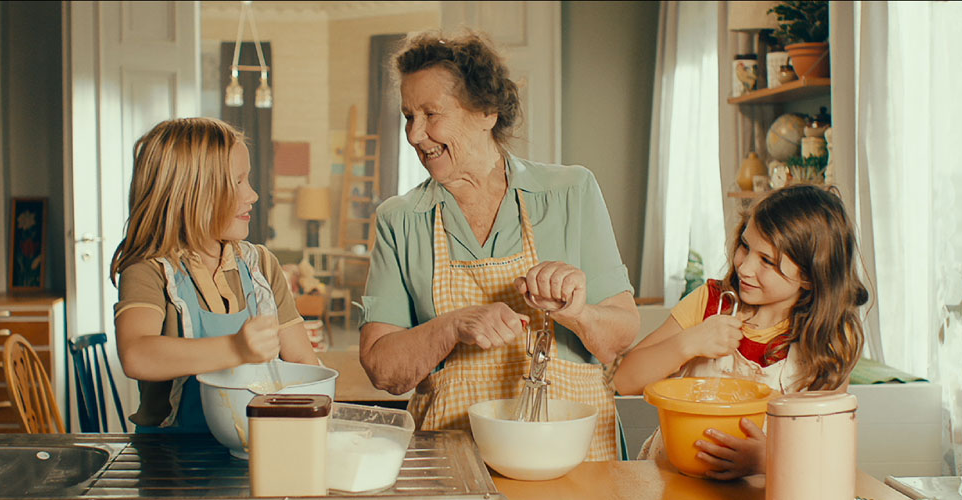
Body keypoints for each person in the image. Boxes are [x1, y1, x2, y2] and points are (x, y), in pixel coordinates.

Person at [358, 31, 641, 461]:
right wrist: (453, 326)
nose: (415, 135)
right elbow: (382, 369)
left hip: (576, 461)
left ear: (487, 111)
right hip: (456, 462)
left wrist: (578, 313)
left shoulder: (570, 192)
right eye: (408, 117)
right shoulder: (401, 220)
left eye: (431, 114)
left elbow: (618, 338)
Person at [614, 184, 868, 479]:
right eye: (745, 246)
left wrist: (767, 460)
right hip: (670, 479)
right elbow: (625, 380)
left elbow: (824, 447)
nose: (745, 267)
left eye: (767, 261)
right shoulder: (710, 303)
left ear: (811, 275)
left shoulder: (832, 341)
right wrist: (688, 343)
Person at [110, 117, 319, 433]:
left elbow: (303, 361)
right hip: (171, 464)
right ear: (190, 193)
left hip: (257, 448)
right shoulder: (149, 271)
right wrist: (237, 349)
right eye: (237, 182)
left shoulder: (261, 265)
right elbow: (137, 354)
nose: (252, 195)